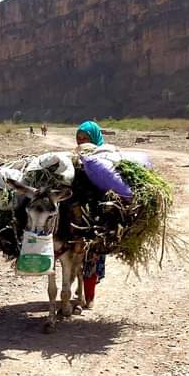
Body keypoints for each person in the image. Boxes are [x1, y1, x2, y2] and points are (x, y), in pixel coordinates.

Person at [75, 120, 107, 307]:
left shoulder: (105, 156)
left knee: (92, 254)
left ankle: (89, 296)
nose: (82, 142)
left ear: (94, 138)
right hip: (77, 211)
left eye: (86, 138)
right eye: (79, 138)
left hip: (96, 212)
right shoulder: (74, 156)